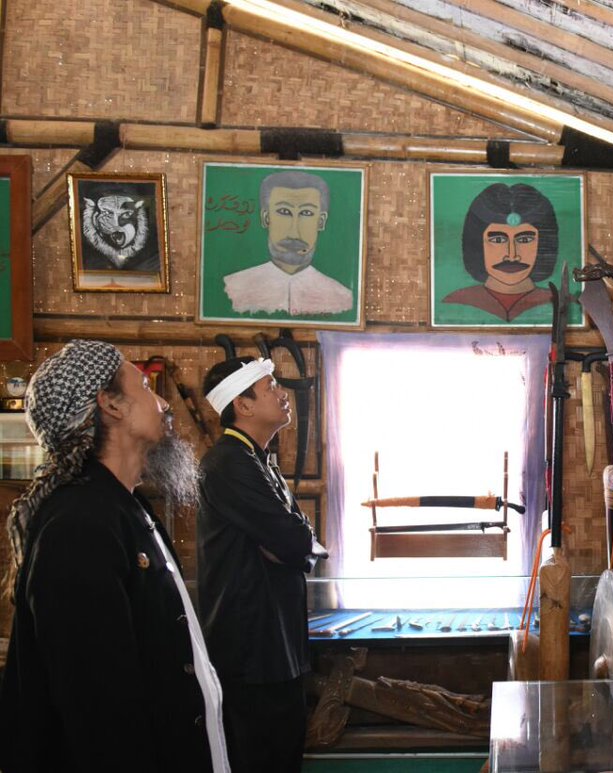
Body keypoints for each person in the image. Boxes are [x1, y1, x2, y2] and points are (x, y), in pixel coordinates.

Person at [0, 340, 229, 772]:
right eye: (144, 386)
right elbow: (100, 717)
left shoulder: (125, 507)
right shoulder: (78, 527)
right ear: (111, 405)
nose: (163, 403)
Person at [198, 356, 327, 773]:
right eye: (270, 387)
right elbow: (294, 539)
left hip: (276, 646)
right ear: (244, 405)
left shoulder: (258, 459)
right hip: (251, 651)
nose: (282, 394)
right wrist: (291, 543)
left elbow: (297, 540)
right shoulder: (228, 463)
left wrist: (289, 543)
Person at [223, 171, 353, 316]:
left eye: (307, 213)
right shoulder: (232, 288)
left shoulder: (343, 298)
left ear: (321, 222)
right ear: (266, 218)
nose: (294, 233)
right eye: (284, 212)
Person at [441, 182, 559, 322]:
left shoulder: (559, 303)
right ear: (478, 244)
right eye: (498, 240)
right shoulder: (456, 303)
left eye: (525, 239)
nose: (512, 255)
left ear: (543, 244)